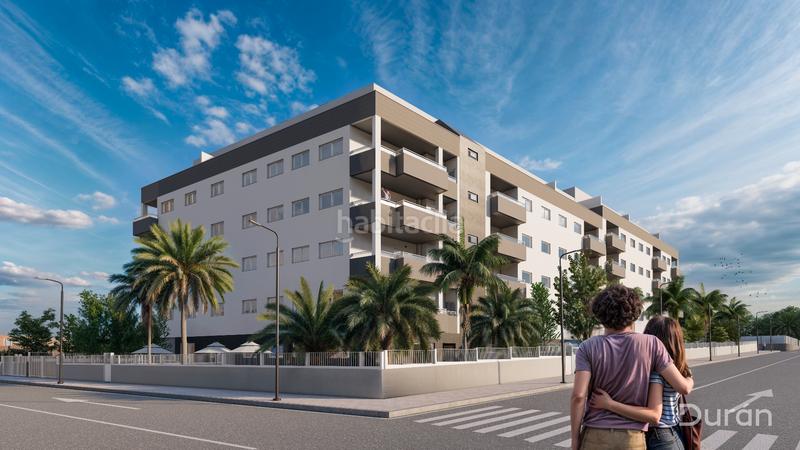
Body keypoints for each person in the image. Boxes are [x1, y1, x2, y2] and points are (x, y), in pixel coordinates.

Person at [570, 285, 693, 450]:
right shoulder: (652, 344)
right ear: (634, 313)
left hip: (595, 434)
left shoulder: (587, 347)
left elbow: (579, 396)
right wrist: (689, 377)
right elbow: (681, 386)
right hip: (632, 437)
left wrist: (575, 440)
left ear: (599, 314)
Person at [589, 316, 693, 450]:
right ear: (676, 340)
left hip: (656, 433)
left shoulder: (654, 371)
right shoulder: (676, 370)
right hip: (664, 433)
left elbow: (655, 413)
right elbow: (684, 387)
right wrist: (689, 378)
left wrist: (609, 404)